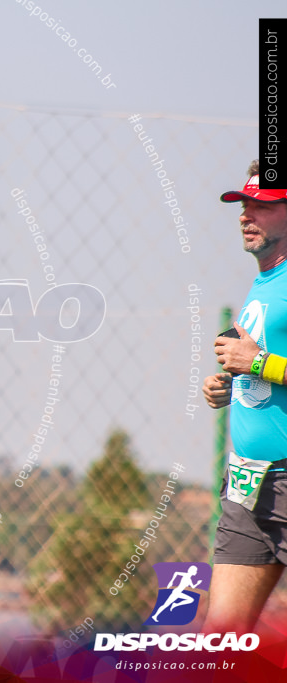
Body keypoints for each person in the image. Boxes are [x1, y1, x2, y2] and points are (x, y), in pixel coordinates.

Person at [203, 160, 287, 633]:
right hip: (247, 485)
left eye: (262, 205)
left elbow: (262, 361)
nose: (245, 214)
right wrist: (231, 384)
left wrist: (255, 363)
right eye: (243, 204)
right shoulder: (265, 283)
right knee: (220, 643)